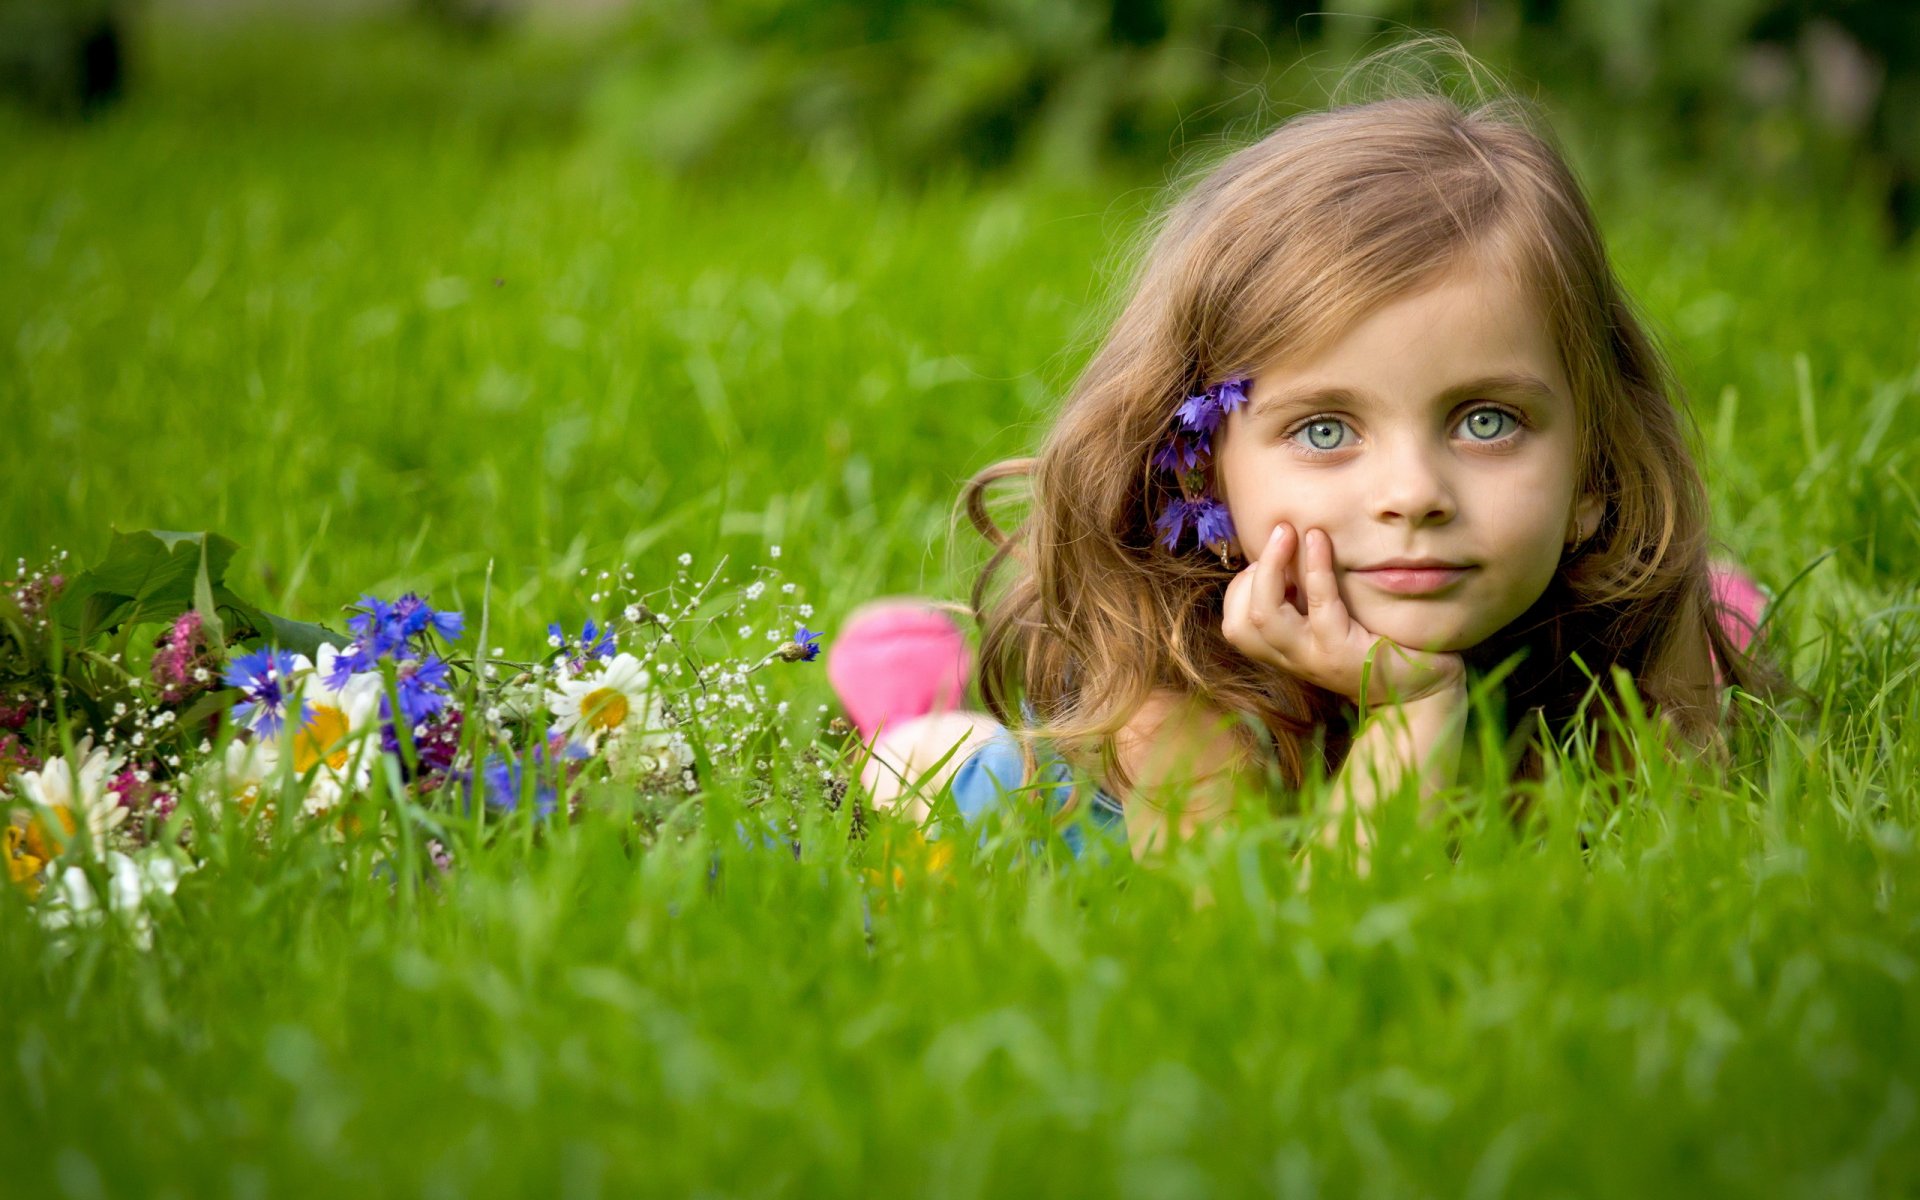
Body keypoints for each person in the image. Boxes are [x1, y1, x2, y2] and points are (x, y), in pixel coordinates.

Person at [827, 60, 1771, 865]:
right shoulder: (1180, 692)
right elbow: (1309, 943)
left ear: (1595, 477)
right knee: (933, 775)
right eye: (1326, 431)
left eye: (1486, 422)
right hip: (1070, 809)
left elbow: (1661, 847)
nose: (1413, 496)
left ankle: (1727, 604)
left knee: (1714, 629)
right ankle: (915, 689)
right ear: (1201, 471)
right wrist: (1412, 708)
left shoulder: (1623, 644)